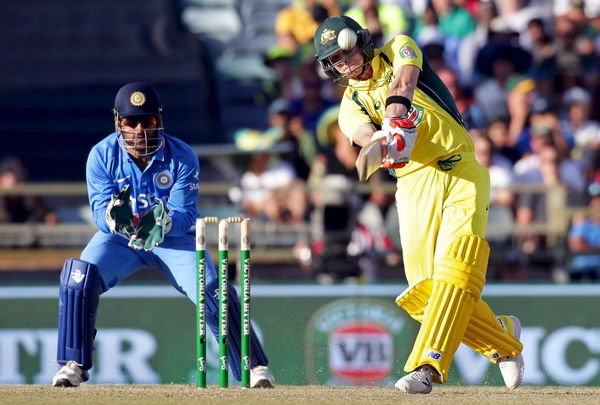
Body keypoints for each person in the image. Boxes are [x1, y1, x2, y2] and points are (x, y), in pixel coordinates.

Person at [313, 16, 524, 394]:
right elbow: (362, 136)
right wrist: (382, 137)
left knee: (457, 267)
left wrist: (396, 115)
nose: (345, 63)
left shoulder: (398, 47)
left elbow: (405, 80)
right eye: (336, 60)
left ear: (363, 42)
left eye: (347, 52)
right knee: (421, 293)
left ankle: (425, 367)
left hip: (459, 168)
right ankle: (502, 339)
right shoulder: (349, 105)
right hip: (412, 184)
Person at [51, 82, 275, 388]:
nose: (140, 130)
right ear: (119, 123)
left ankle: (253, 367)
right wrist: (116, 221)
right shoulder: (101, 155)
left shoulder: (181, 156)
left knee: (214, 290)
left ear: (160, 120)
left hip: (172, 239)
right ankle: (73, 363)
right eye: (132, 122)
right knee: (77, 278)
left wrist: (163, 224)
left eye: (148, 121)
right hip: (122, 240)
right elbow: (100, 212)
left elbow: (184, 215)